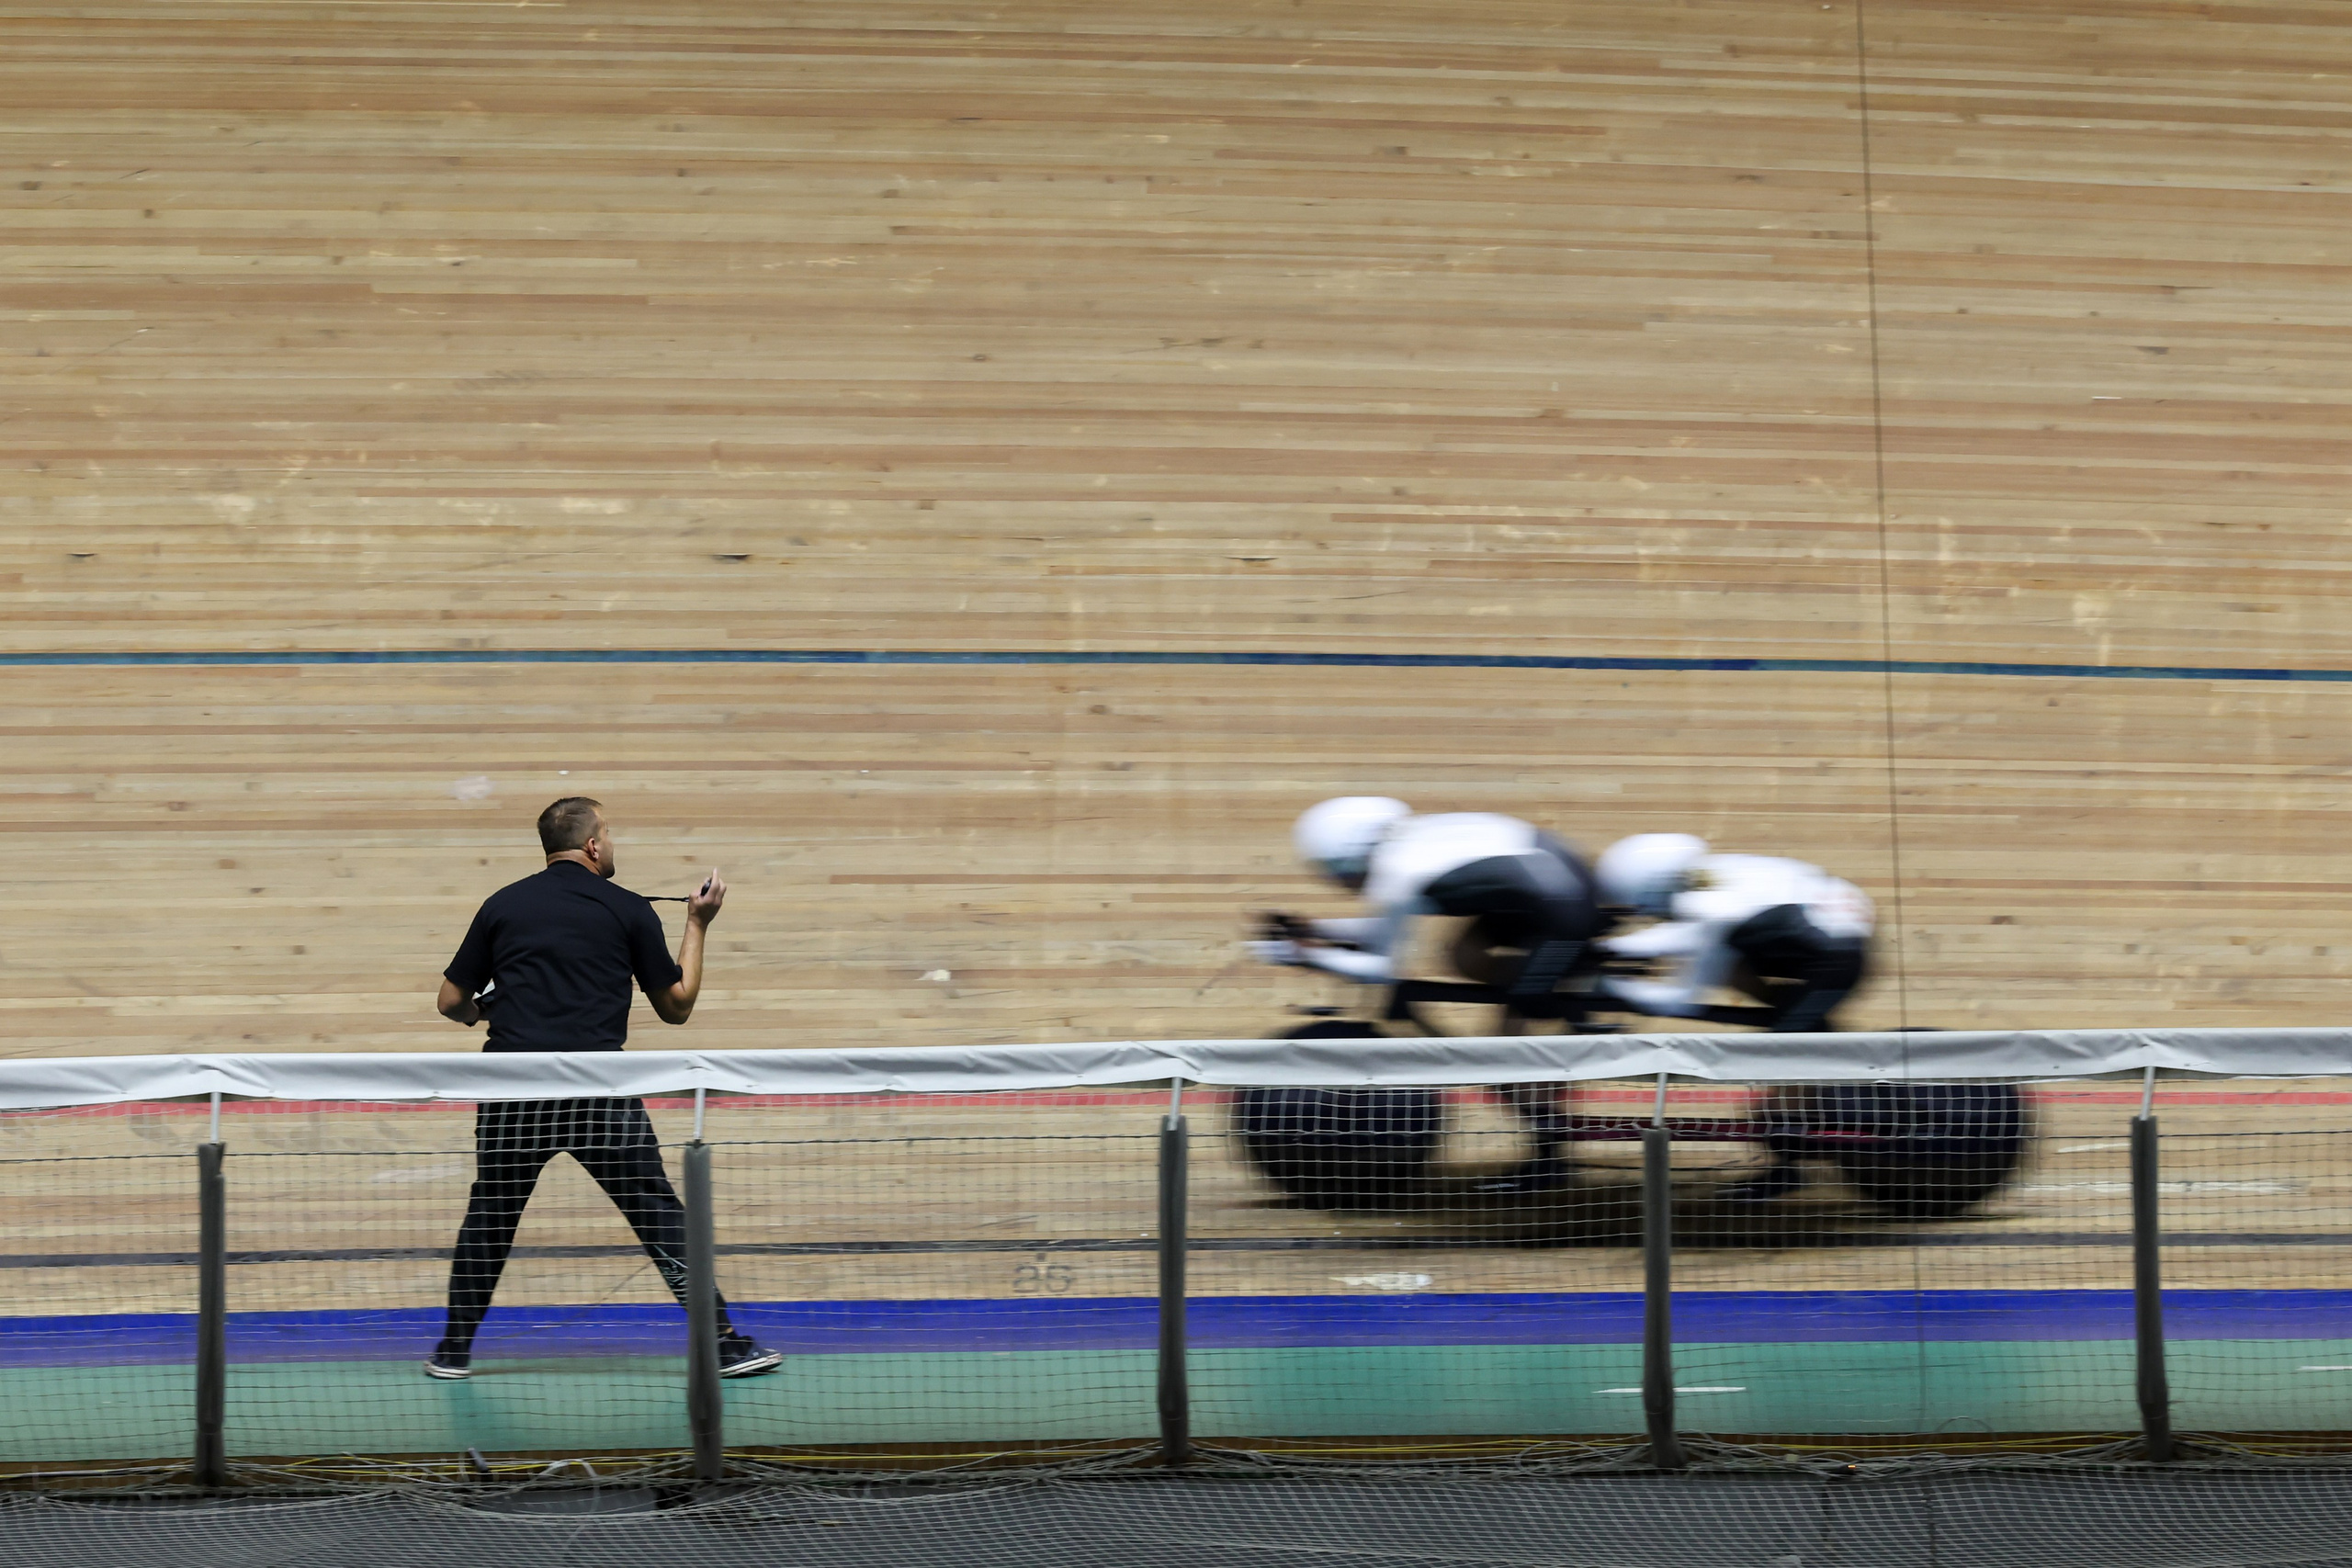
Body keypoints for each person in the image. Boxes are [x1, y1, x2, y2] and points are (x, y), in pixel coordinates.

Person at [423, 796, 781, 1381]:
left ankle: (452, 1351)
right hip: (598, 1093)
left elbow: (449, 1001)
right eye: (608, 833)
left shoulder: (502, 905)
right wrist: (697, 922)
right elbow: (677, 1006)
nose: (611, 842)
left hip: (514, 1090)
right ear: (592, 846)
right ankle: (722, 1346)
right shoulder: (627, 910)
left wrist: (484, 1012)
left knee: (490, 1216)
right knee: (658, 1213)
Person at [1250, 796, 1611, 1192]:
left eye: (1335, 873)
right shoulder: (1410, 843)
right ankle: (1567, 988)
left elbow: (1381, 969)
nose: (1341, 884)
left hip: (1563, 917)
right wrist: (1316, 931)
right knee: (1465, 956)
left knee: (1506, 1055)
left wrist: (1310, 955)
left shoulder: (1398, 871)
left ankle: (1550, 1162)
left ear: (1351, 855)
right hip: (1551, 894)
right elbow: (1380, 932)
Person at [1592, 832, 1875, 1201]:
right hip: (1826, 938)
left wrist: (1611, 983)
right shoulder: (1716, 875)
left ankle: (1790, 1167)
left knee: (1784, 1065)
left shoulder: (1712, 906)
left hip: (1832, 957)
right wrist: (1611, 950)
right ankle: (1823, 1070)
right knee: (1779, 1011)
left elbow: (1679, 998)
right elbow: (1691, 935)